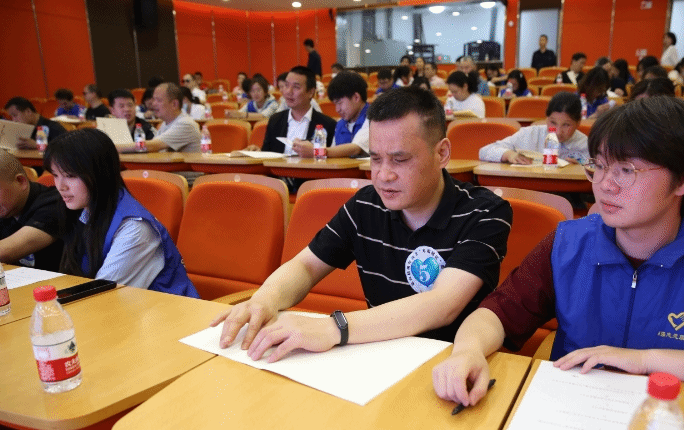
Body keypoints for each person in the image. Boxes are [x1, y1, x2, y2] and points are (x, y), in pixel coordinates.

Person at [434, 96, 684, 408]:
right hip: (572, 419)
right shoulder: (569, 243)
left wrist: (647, 361)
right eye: (599, 166)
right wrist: (468, 350)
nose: (604, 185)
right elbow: (496, 314)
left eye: (626, 169)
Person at [212, 86, 512, 363]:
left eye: (400, 160)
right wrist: (264, 300)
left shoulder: (486, 212)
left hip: (454, 363)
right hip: (377, 358)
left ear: (442, 153)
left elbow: (442, 304)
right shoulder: (366, 204)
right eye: (376, 159)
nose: (383, 175)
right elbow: (306, 266)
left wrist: (334, 328)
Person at [44, 128, 199, 297]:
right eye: (55, 175)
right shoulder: (83, 211)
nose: (61, 186)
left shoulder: (134, 228)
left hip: (165, 311)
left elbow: (100, 295)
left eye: (70, 176)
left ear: (100, 173)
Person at [479, 91, 589, 164]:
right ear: (546, 119)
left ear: (578, 122)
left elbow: (596, 170)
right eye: (553, 123)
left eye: (566, 125)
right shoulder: (529, 134)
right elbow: (484, 151)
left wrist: (583, 167)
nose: (558, 132)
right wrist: (508, 154)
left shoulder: (585, 144)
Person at [0, 151, 63, 270]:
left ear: (20, 181)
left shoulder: (55, 203)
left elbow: (3, 252)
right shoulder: (5, 208)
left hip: (64, 280)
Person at [259, 66, 337, 154]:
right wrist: (257, 151)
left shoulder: (328, 125)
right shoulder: (275, 120)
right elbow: (266, 155)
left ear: (311, 92)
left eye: (296, 87)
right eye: (286, 85)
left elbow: (330, 159)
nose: (288, 91)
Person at [292, 70, 369, 158]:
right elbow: (333, 152)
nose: (337, 109)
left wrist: (316, 151)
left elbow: (356, 148)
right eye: (335, 104)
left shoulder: (374, 118)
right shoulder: (340, 123)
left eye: (339, 103)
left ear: (356, 97)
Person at [115, 83, 201, 153]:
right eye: (154, 99)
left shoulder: (185, 124)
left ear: (174, 104)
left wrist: (114, 148)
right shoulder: (165, 124)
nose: (153, 104)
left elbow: (151, 146)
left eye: (158, 100)